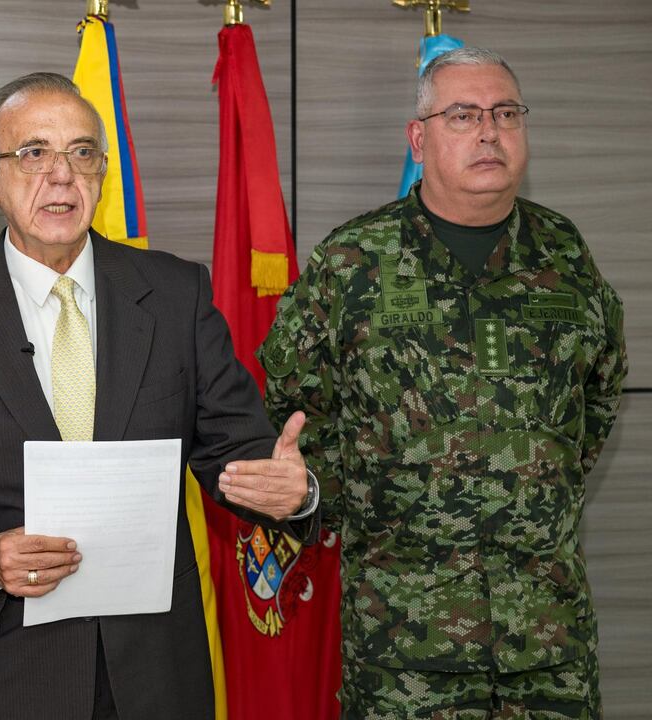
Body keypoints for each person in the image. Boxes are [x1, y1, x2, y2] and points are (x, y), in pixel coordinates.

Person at [0, 71, 320, 720]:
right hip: (8, 676)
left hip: (157, 675)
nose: (61, 175)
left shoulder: (174, 296)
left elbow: (239, 452)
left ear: (102, 175)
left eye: (82, 153)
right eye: (34, 153)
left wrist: (293, 491)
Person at [260, 48, 626, 718]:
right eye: (463, 114)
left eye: (505, 113)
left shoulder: (565, 252)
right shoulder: (353, 261)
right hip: (405, 644)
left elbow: (598, 395)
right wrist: (351, 496)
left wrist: (534, 481)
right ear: (419, 138)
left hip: (549, 639)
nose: (489, 131)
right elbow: (293, 408)